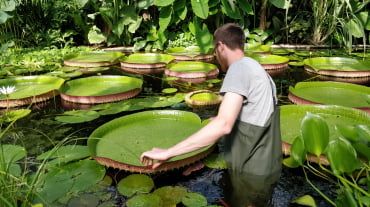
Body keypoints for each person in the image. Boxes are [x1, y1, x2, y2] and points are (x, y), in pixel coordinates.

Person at [140, 23, 282, 206]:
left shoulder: (238, 69)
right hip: (267, 168)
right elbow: (250, 117)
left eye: (215, 50)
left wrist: (169, 152)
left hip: (251, 175)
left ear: (221, 46)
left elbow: (224, 124)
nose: (215, 56)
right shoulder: (257, 69)